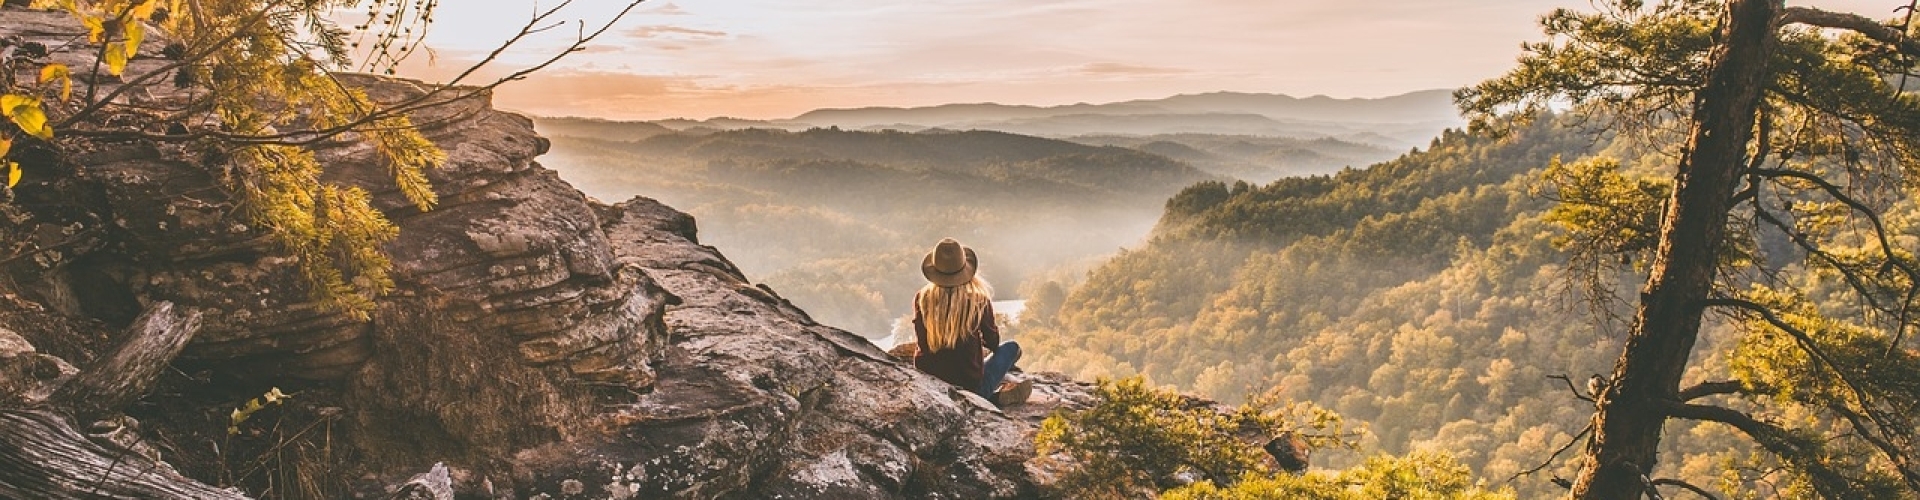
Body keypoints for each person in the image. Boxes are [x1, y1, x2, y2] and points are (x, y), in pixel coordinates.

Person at [913, 238, 1031, 406]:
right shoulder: (978, 300)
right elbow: (994, 343)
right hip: (970, 386)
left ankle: (992, 398)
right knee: (1012, 348)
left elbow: (921, 341)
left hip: (930, 385)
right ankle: (991, 398)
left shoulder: (922, 299)